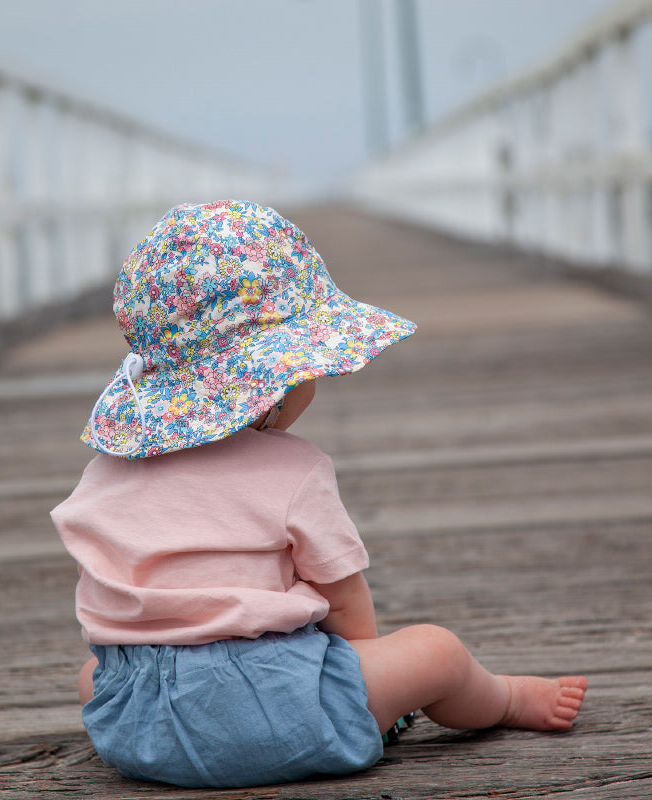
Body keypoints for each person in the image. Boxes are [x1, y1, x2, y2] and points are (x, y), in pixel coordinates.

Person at [51, 200, 587, 789]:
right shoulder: (292, 468)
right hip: (285, 714)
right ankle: (505, 699)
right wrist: (364, 677)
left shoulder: (103, 474)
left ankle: (182, 738)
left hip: (138, 726)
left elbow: (110, 612)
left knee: (92, 674)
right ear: (275, 384)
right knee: (437, 652)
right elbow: (345, 603)